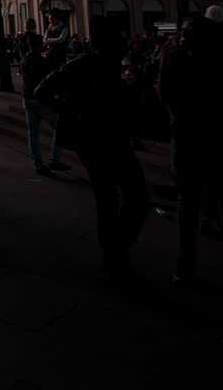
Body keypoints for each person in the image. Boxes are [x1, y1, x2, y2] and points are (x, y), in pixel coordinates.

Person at [36, 21, 148, 281]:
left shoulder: (118, 67)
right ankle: (114, 253)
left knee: (132, 199)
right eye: (120, 40)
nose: (125, 45)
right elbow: (43, 90)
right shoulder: (83, 65)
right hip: (94, 142)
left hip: (115, 140)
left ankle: (115, 247)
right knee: (112, 199)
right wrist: (67, 114)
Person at [159, 16, 223, 295]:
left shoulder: (180, 63)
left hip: (192, 142)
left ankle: (187, 266)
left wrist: (164, 63)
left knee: (190, 207)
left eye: (186, 32)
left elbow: (166, 98)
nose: (181, 36)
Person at [18, 19, 66, 176]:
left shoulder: (25, 59)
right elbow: (48, 78)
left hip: (27, 98)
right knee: (59, 127)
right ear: (39, 46)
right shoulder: (40, 61)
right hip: (39, 100)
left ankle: (38, 163)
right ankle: (54, 158)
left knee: (33, 133)